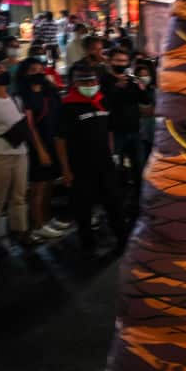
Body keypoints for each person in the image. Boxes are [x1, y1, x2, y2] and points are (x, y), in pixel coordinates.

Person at [56, 65, 128, 254]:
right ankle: (88, 246)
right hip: (80, 166)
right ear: (75, 83)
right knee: (83, 209)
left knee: (114, 203)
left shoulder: (102, 101)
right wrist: (65, 169)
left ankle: (122, 240)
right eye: (84, 81)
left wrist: (112, 154)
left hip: (105, 163)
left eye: (92, 80)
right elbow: (60, 139)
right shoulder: (68, 106)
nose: (90, 85)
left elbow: (109, 130)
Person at [0, 59, 38, 247]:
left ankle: (20, 230)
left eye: (4, 69)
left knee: (19, 195)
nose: (4, 72)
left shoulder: (15, 98)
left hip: (19, 152)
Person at [14, 57, 67, 240]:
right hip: (37, 146)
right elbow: (30, 126)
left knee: (49, 183)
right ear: (24, 74)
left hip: (52, 142)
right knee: (38, 187)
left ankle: (47, 219)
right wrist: (40, 150)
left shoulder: (48, 91)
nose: (38, 73)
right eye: (32, 70)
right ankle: (37, 225)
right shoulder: (24, 96)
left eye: (40, 69)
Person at [103, 48, 149, 195]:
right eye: (118, 60)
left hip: (135, 131)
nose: (121, 64)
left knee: (139, 167)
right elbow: (104, 103)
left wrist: (142, 87)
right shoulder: (104, 80)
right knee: (115, 169)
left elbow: (145, 100)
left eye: (124, 61)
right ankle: (117, 200)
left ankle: (139, 199)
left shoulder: (131, 80)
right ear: (110, 62)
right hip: (114, 132)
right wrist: (116, 88)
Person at [135, 61, 157, 160]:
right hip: (140, 130)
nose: (144, 77)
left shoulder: (154, 90)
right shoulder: (134, 90)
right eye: (141, 75)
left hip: (153, 129)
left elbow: (154, 110)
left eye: (146, 75)